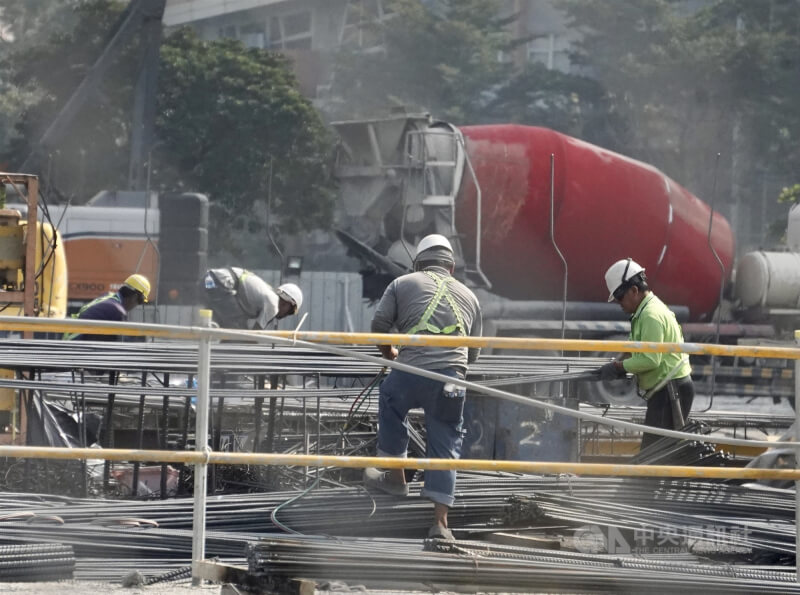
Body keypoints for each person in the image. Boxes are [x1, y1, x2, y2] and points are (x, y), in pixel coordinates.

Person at [366, 234, 482, 541]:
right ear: (451, 267)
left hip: (410, 371)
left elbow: (379, 327)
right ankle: (441, 524)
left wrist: (389, 354)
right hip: (451, 379)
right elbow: (473, 355)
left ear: (417, 263)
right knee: (445, 441)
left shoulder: (402, 283)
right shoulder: (470, 297)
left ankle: (396, 479)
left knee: (391, 400)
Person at [597, 258, 694, 450]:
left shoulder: (650, 315)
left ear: (634, 290)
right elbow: (637, 348)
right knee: (660, 454)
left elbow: (651, 359)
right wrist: (621, 362)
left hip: (670, 392)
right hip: (668, 389)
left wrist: (619, 367)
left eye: (620, 298)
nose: (619, 304)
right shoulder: (644, 312)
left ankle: (649, 481)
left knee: (653, 456)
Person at [201, 267, 302, 330]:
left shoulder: (266, 295)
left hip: (209, 281)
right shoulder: (273, 304)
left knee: (223, 328)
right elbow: (254, 335)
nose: (285, 316)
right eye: (288, 312)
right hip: (217, 284)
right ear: (287, 303)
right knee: (237, 330)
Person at [63, 274, 150, 341]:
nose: (137, 305)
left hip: (71, 340)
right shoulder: (116, 310)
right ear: (134, 297)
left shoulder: (109, 296)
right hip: (76, 346)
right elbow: (126, 340)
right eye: (140, 301)